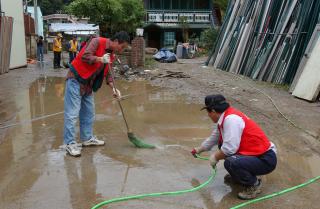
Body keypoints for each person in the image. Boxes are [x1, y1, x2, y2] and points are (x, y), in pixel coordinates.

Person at [191, 94, 277, 200]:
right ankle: (241, 177)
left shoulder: (231, 119)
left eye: (208, 112)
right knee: (222, 146)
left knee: (231, 162)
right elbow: (215, 137)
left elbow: (229, 148)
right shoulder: (226, 117)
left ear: (212, 111)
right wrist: (200, 149)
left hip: (265, 159)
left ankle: (254, 184)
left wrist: (215, 157)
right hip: (256, 156)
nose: (208, 115)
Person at [63, 31, 130, 157]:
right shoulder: (97, 41)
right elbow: (85, 56)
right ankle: (70, 143)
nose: (122, 50)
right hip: (76, 79)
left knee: (89, 112)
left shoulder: (111, 55)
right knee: (72, 113)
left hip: (88, 84)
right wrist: (100, 58)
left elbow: (108, 73)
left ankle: (87, 138)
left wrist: (113, 88)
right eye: (122, 47)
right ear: (116, 41)